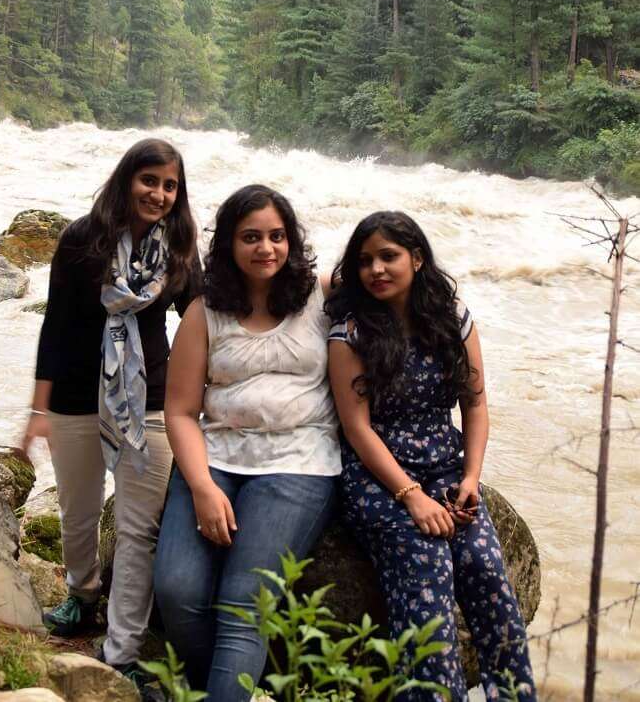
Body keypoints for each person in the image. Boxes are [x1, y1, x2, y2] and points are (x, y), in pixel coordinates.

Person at [326, 211, 537, 701]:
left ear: (417, 259)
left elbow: (476, 404)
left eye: (389, 256)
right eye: (365, 261)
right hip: (379, 478)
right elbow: (357, 429)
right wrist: (411, 496)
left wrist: (471, 478)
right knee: (428, 591)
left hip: (446, 468)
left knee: (488, 576)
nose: (376, 269)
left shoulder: (452, 320)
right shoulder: (350, 334)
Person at [22, 138, 200, 698]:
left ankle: (121, 647)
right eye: (150, 180)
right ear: (128, 179)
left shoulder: (178, 248)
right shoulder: (82, 240)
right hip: (76, 395)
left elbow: (201, 321)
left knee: (137, 529)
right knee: (77, 512)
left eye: (170, 185)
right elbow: (55, 326)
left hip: (150, 400)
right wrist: (37, 408)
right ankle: (82, 595)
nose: (160, 193)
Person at [154, 184, 340, 702]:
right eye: (251, 237)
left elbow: (392, 278)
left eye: (278, 237)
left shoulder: (321, 296)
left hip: (299, 460)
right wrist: (202, 486)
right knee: (177, 591)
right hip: (215, 456)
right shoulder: (204, 312)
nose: (266, 249)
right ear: (230, 245)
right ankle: (210, 688)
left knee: (243, 602)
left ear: (292, 241)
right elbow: (180, 411)